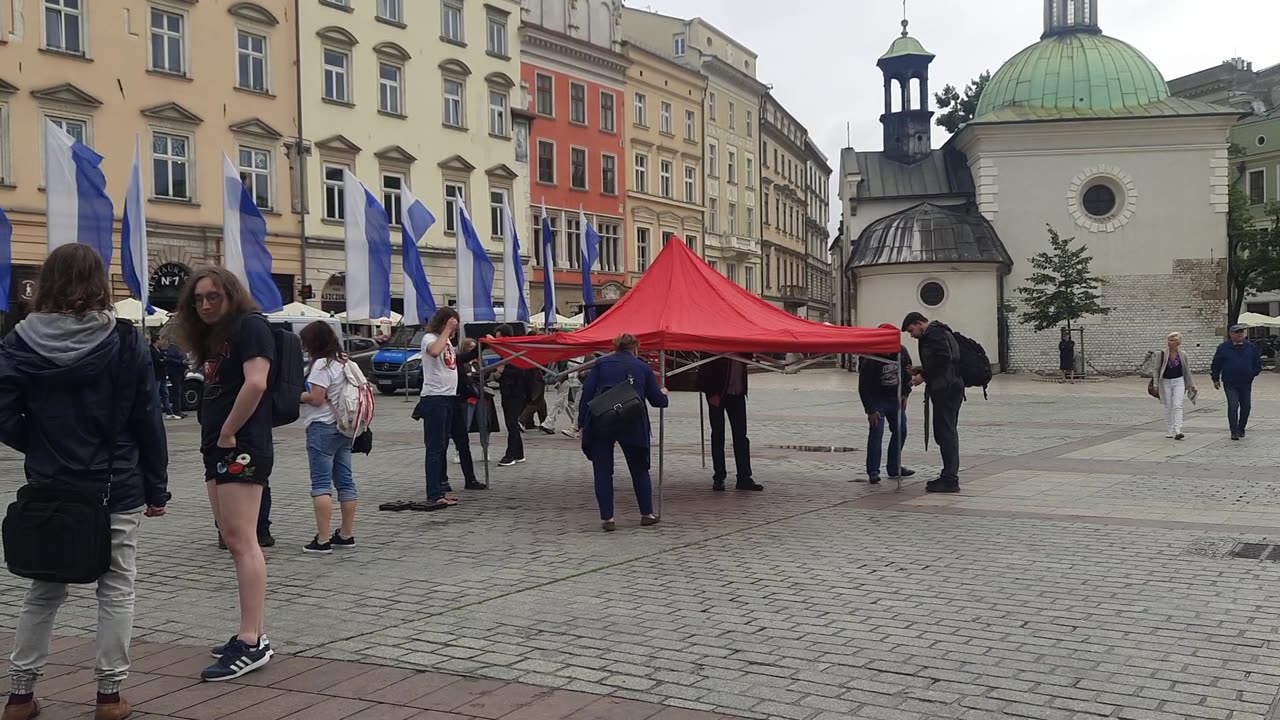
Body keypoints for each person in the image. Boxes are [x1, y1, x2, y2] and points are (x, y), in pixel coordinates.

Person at [0, 244, 170, 720]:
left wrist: (40, 443)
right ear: (100, 284)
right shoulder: (122, 340)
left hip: (53, 483)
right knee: (116, 586)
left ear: (47, 282)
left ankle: (19, 694)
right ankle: (109, 697)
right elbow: (147, 420)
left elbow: (2, 413)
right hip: (116, 481)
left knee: (44, 588)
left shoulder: (19, 341)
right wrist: (157, 487)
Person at [174, 267, 275, 681]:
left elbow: (256, 383)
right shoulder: (218, 337)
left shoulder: (250, 326)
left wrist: (230, 430)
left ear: (232, 294)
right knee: (232, 539)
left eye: (213, 296)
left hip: (240, 445)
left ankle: (251, 641)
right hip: (219, 445)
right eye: (198, 299)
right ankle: (253, 634)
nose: (205, 304)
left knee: (242, 540)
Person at [578, 334, 669, 531]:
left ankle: (608, 519)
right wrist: (664, 395)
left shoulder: (601, 364)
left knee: (603, 471)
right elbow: (657, 401)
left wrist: (582, 423)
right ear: (635, 348)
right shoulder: (643, 367)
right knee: (639, 470)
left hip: (602, 421)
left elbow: (587, 393)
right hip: (633, 423)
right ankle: (646, 514)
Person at [298, 321, 358, 554]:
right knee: (346, 481)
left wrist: (296, 394)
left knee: (321, 483)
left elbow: (317, 397)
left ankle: (322, 539)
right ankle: (346, 533)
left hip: (322, 426)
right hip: (345, 426)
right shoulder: (345, 360)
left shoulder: (322, 364)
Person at [902, 312, 964, 493]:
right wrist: (920, 370)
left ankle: (950, 479)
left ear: (920, 323)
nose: (911, 335)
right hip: (951, 386)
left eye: (911, 330)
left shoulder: (933, 334)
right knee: (945, 432)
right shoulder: (941, 332)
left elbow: (944, 359)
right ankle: (949, 475)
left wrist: (924, 375)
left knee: (946, 433)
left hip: (947, 389)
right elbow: (943, 360)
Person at [414, 307, 461, 510]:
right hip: (435, 398)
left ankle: (440, 489)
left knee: (442, 445)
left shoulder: (446, 340)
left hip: (448, 397)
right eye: (452, 325)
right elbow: (434, 351)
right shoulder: (429, 338)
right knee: (434, 447)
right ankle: (433, 493)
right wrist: (446, 331)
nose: (454, 330)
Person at [696, 356, 762, 492]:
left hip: (737, 395)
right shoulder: (715, 346)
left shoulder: (742, 349)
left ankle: (744, 477)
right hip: (718, 394)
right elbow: (704, 369)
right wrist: (711, 393)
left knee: (741, 436)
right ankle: (719, 477)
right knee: (718, 435)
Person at [858, 324, 914, 484]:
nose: (888, 352)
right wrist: (870, 409)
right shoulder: (870, 357)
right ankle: (873, 471)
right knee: (877, 432)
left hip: (895, 398)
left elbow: (907, 373)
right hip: (877, 399)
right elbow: (863, 386)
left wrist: (905, 394)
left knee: (901, 430)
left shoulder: (901, 352)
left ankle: (894, 466)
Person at [447, 337, 488, 491]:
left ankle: (470, 479)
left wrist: (483, 345)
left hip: (458, 402)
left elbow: (470, 356)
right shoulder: (439, 358)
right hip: (444, 402)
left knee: (463, 443)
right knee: (441, 445)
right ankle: (441, 481)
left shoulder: (455, 358)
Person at [1211, 324, 1263, 441]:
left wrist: (1253, 373)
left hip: (1246, 382)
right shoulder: (1223, 348)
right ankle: (1233, 431)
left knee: (1246, 407)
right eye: (1237, 332)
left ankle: (1241, 428)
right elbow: (1216, 364)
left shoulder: (1251, 347)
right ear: (1231, 334)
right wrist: (1215, 378)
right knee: (1233, 405)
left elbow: (1257, 363)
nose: (1240, 334)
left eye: (1241, 332)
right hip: (1230, 382)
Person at [492, 324, 528, 466]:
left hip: (516, 393)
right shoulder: (504, 353)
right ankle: (519, 453)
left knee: (512, 423)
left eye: (499, 338)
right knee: (510, 423)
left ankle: (510, 454)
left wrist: (502, 372)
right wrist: (497, 375)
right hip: (506, 392)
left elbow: (521, 372)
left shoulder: (515, 352)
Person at [1154, 332, 1197, 440]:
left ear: (1178, 342)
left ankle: (1178, 429)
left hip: (1179, 381)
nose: (1169, 342)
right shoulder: (1162, 354)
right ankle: (1170, 429)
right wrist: (1156, 384)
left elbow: (1187, 370)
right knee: (1168, 405)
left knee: (1178, 404)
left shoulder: (1183, 354)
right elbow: (1156, 370)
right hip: (1165, 381)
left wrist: (1191, 385)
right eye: (1169, 340)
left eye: (1172, 340)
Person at [150, 334, 180, 420]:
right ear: (156, 341)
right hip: (156, 375)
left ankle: (169, 412)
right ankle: (155, 412)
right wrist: (163, 361)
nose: (162, 342)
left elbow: (165, 359)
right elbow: (157, 362)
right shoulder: (151, 350)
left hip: (162, 375)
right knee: (155, 394)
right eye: (161, 340)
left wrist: (164, 360)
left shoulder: (159, 350)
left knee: (165, 393)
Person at [164, 338, 190, 419]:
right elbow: (169, 359)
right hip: (175, 372)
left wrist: (187, 367)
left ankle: (179, 410)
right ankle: (176, 411)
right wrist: (181, 362)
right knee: (176, 392)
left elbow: (185, 358)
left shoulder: (180, 347)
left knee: (180, 391)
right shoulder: (172, 348)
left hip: (181, 372)